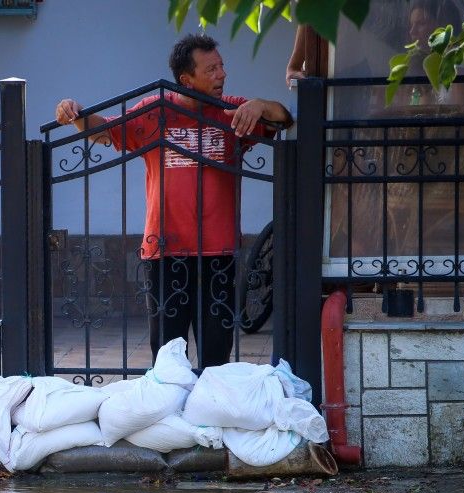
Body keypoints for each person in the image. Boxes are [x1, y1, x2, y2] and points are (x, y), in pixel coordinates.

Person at [54, 34, 292, 368]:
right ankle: (171, 416)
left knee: (217, 353)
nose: (222, 75)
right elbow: (103, 130)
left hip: (217, 252)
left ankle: (210, 414)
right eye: (211, 69)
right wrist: (74, 112)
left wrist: (261, 105)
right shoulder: (156, 112)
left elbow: (285, 119)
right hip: (165, 251)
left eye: (222, 66)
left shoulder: (232, 112)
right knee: (167, 355)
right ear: (187, 80)